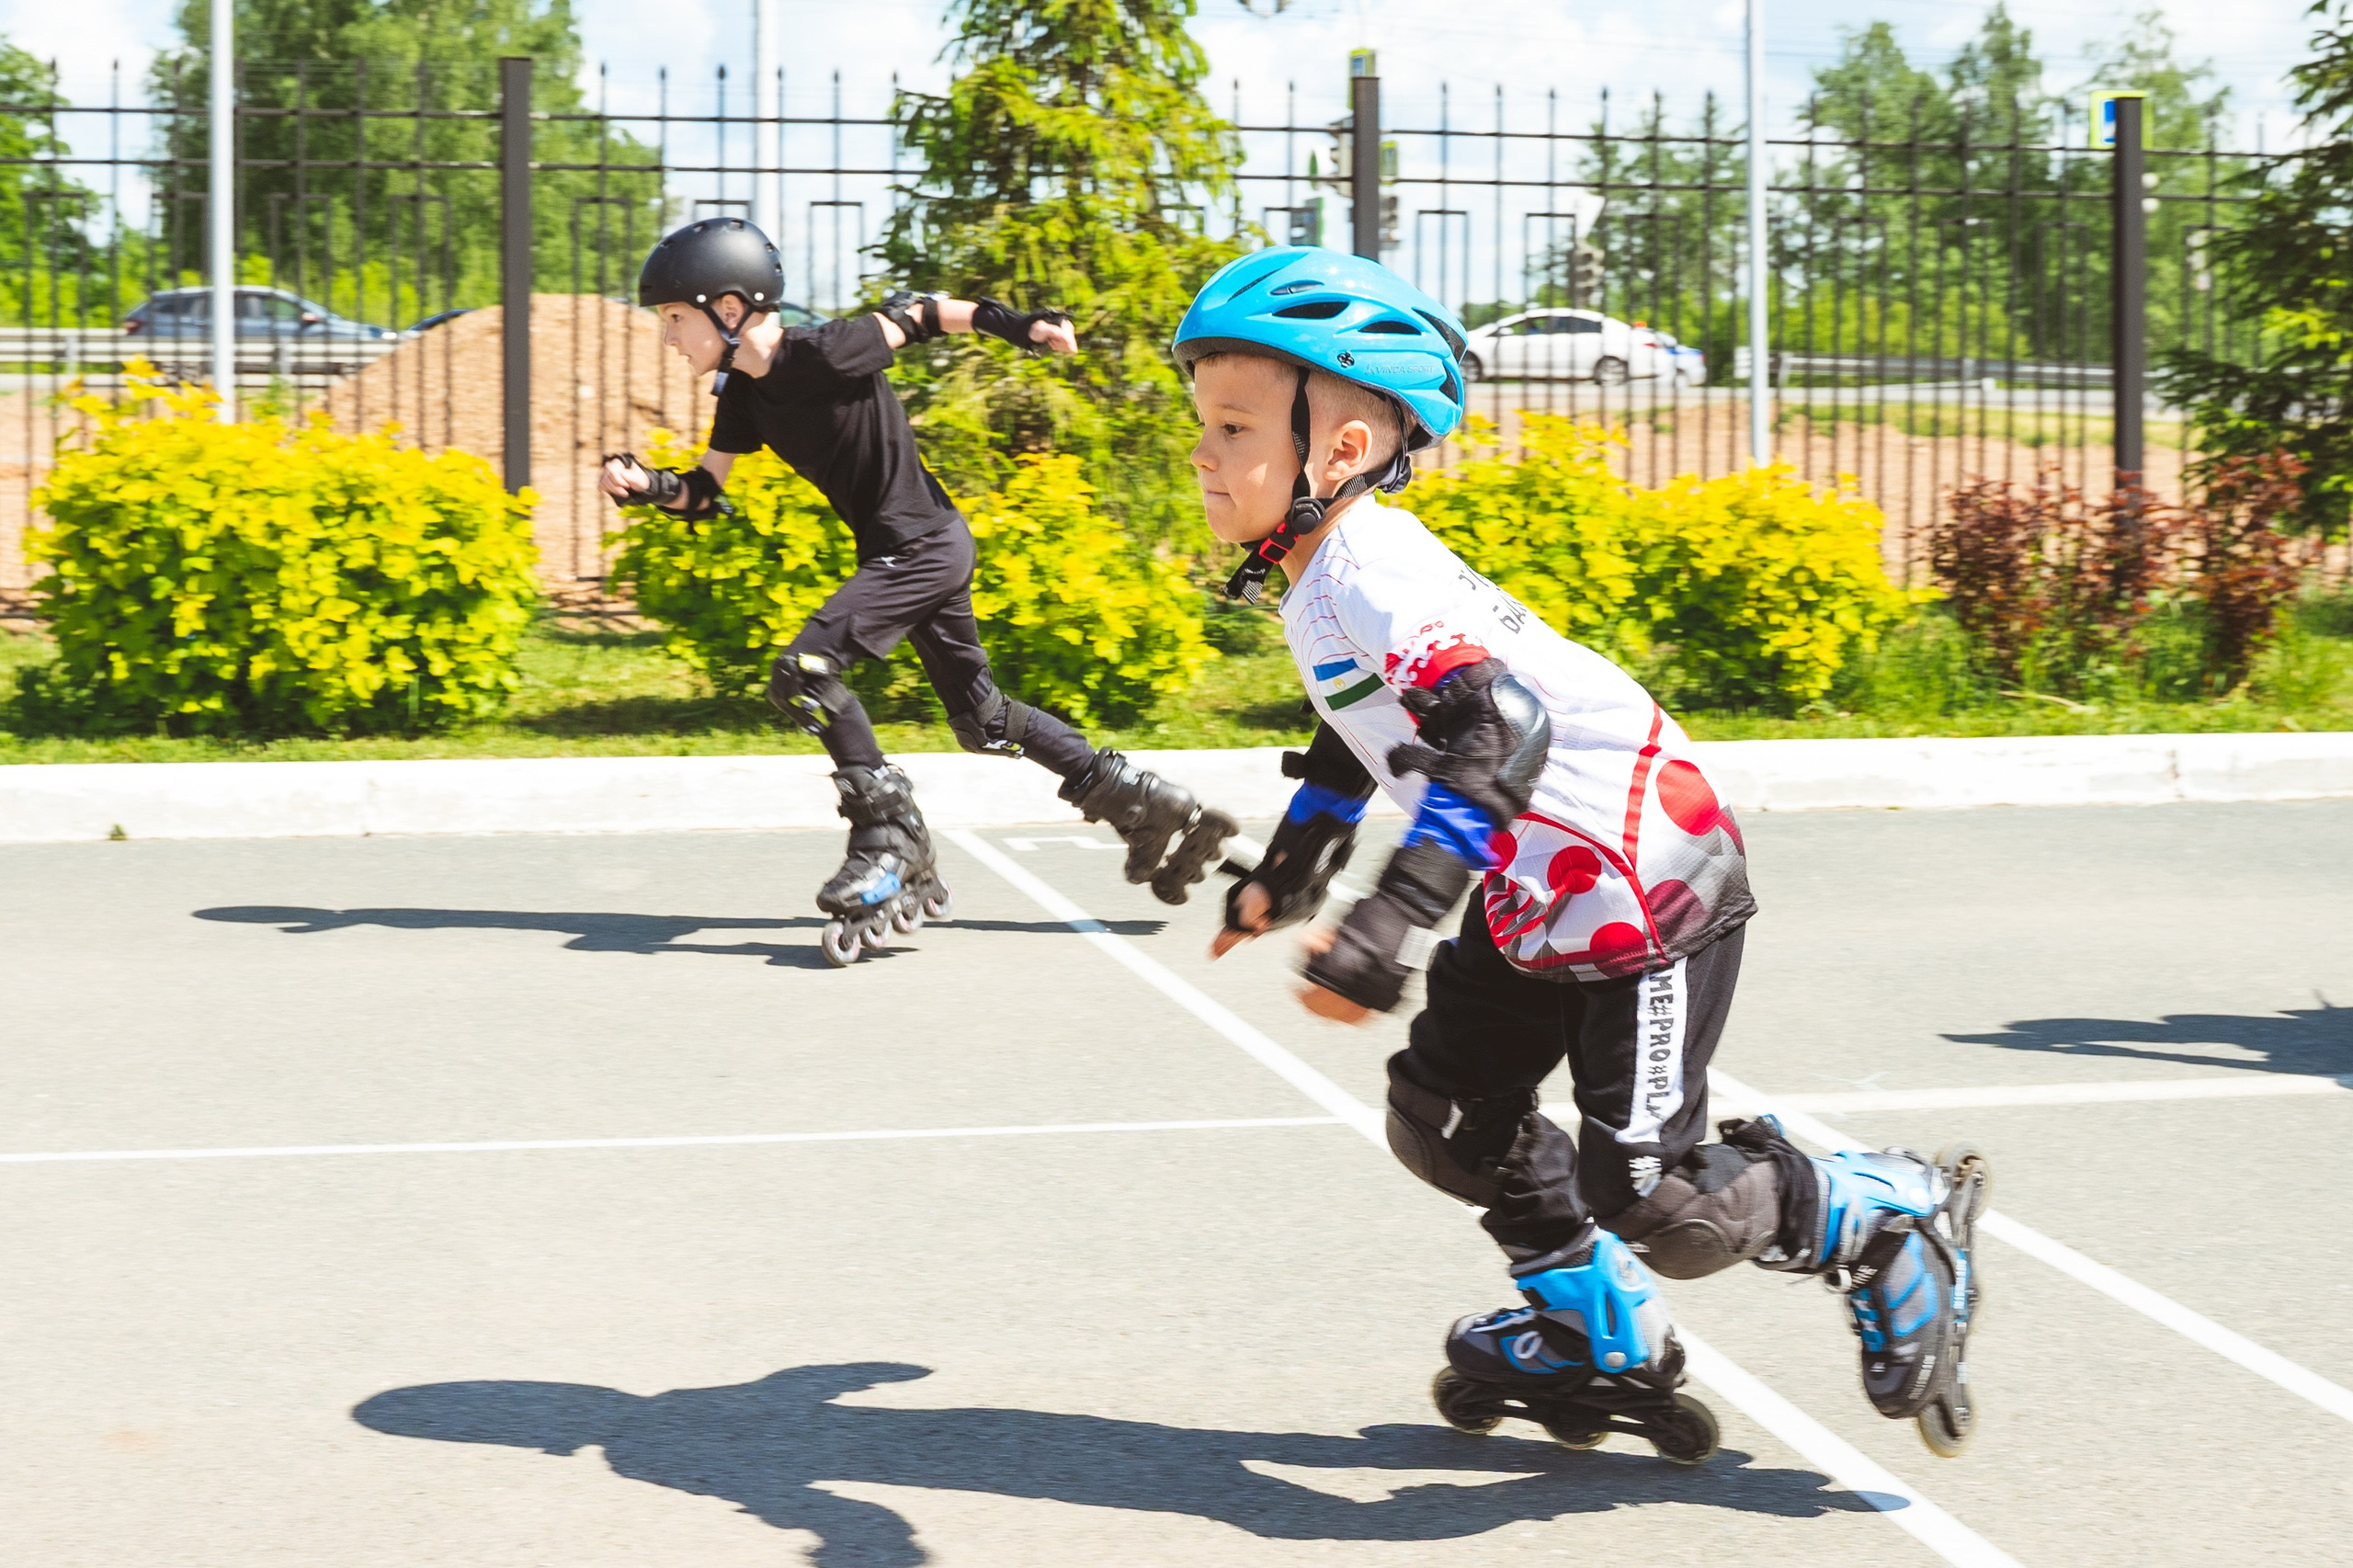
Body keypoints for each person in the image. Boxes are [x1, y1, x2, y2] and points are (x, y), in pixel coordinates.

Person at [1179, 245, 1987, 1463]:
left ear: (1337, 452)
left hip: (1642, 879)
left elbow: (1499, 728)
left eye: (1233, 427)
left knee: (1662, 1197)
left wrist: (1390, 917)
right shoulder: (1326, 575)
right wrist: (1293, 869)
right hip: (1537, 886)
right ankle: (1586, 1323)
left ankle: (1884, 1214)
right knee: (1447, 1117)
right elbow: (1369, 723)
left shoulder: (1370, 567)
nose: (1202, 454)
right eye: (1203, 424)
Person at [600, 217, 1235, 965]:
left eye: (677, 319)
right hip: (911, 551)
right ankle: (1138, 798)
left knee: (805, 674)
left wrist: (1020, 326)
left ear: (730, 309)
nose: (670, 337)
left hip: (922, 548)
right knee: (983, 720)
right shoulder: (744, 392)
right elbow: (707, 492)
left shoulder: (827, 350)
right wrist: (648, 485)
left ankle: (889, 839)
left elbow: (922, 314)